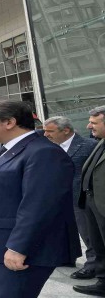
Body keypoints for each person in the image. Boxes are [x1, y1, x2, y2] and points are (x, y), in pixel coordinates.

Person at [0, 101, 79, 298]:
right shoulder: (11, 148)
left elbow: (40, 206)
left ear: (9, 122)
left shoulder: (43, 153)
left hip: (25, 251)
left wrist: (18, 247)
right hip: (3, 244)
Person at [42, 116, 97, 278]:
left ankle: (93, 266)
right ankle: (66, 257)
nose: (46, 135)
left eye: (50, 131)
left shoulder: (89, 146)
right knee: (62, 231)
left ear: (66, 130)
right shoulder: (48, 146)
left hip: (80, 199)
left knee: (88, 234)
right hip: (57, 199)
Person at [74, 106, 105, 296]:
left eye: (94, 123)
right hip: (93, 203)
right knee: (99, 245)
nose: (88, 126)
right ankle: (103, 281)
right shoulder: (100, 142)